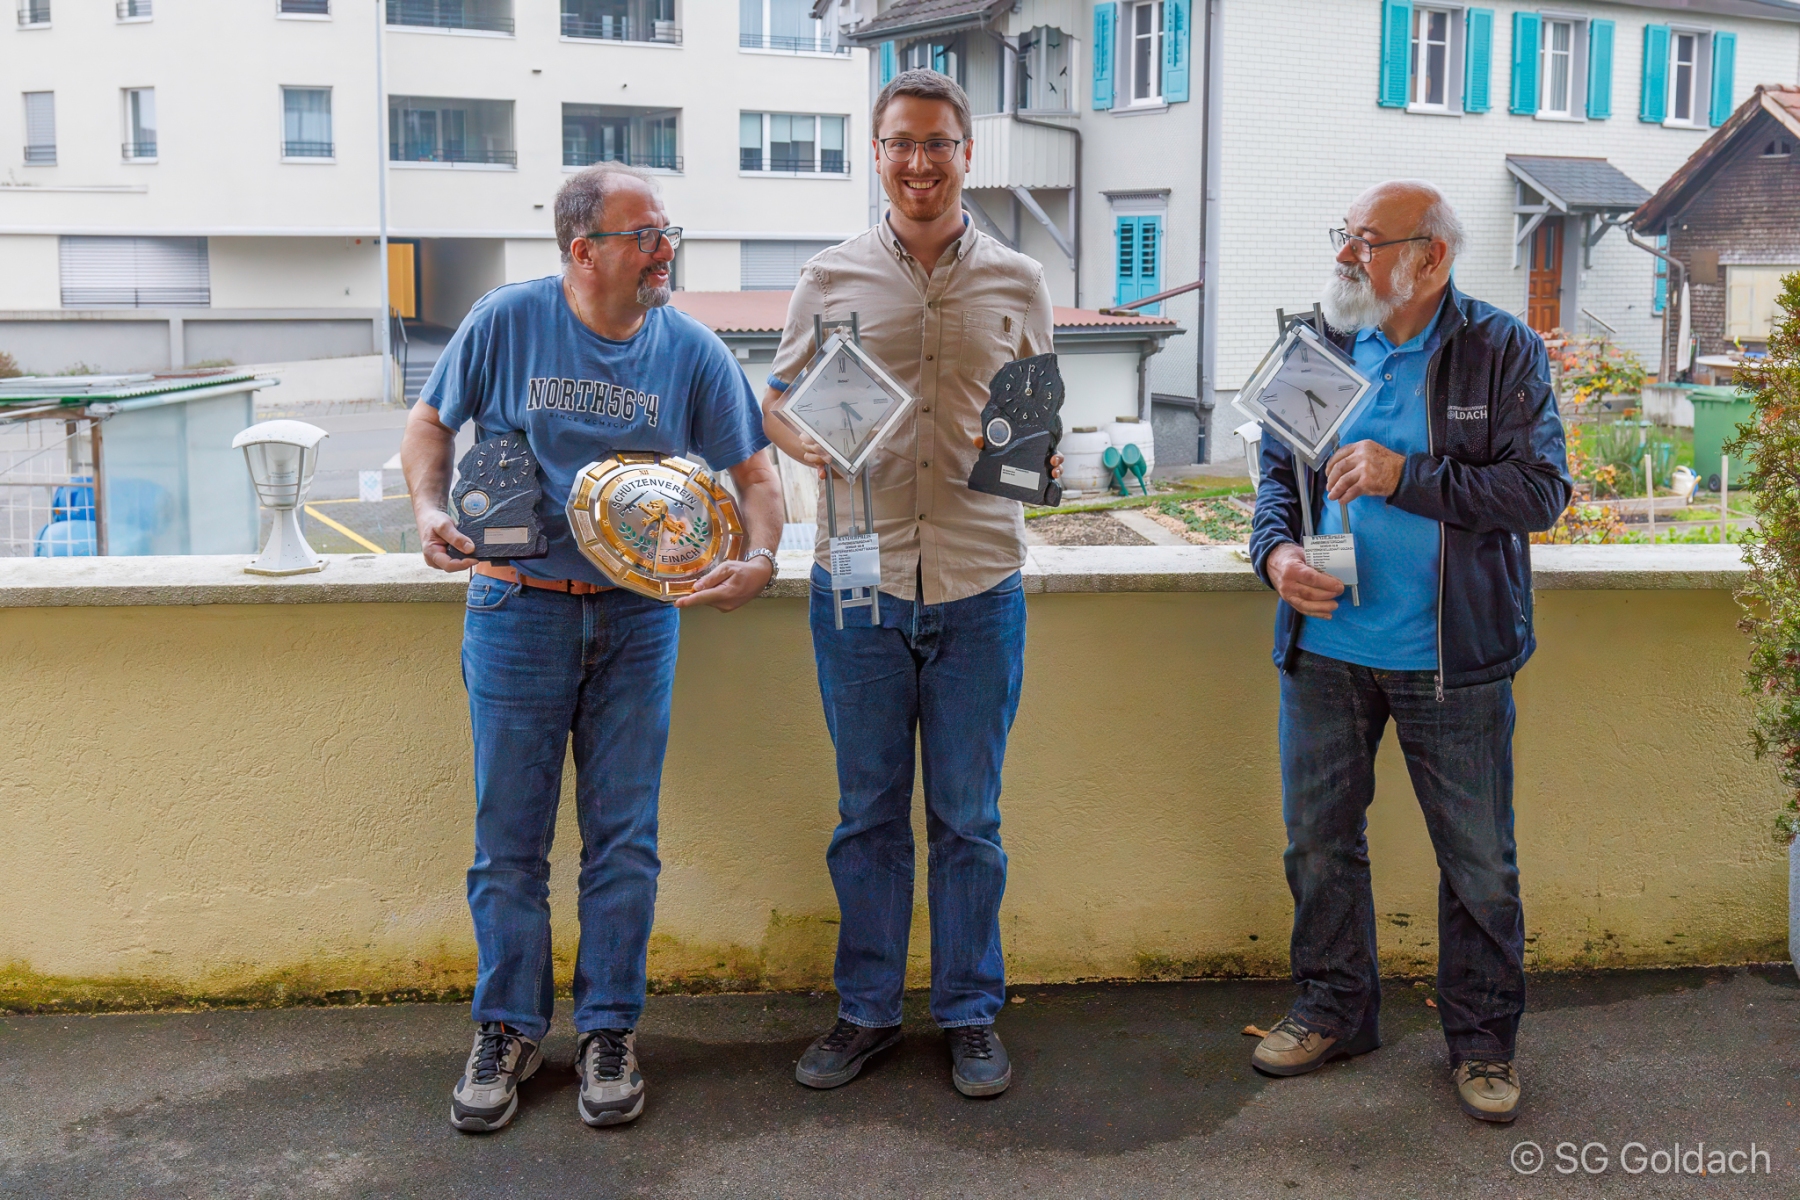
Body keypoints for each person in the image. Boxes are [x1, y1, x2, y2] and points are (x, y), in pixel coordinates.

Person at [401, 162, 784, 1133]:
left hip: (638, 620)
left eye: (667, 232)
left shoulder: (691, 350)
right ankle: (508, 1029)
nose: (666, 250)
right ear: (583, 250)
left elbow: (756, 477)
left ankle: (610, 1029)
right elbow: (429, 426)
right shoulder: (505, 321)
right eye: (646, 235)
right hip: (515, 608)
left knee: (623, 841)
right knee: (509, 843)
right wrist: (428, 509)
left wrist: (761, 558)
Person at [759, 69, 1058, 1099]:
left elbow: (1035, 416)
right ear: (877, 154)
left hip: (980, 580)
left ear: (967, 154)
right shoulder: (827, 276)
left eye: (937, 143)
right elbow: (777, 402)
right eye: (901, 143)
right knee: (868, 814)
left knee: (970, 819)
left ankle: (970, 1012)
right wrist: (809, 440)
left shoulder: (1019, 280)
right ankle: (868, 1010)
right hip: (860, 579)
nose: (919, 162)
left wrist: (1032, 456)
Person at [1246, 180, 1571, 1123]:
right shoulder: (1321, 341)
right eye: (1345, 235)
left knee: (1478, 863)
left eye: (1368, 241)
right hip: (1326, 649)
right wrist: (1276, 556)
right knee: (1318, 845)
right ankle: (1334, 1011)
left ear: (1430, 257)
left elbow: (1541, 492)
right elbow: (1276, 478)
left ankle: (1482, 1043)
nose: (1346, 255)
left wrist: (1407, 476)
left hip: (1451, 656)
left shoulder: (1500, 349)